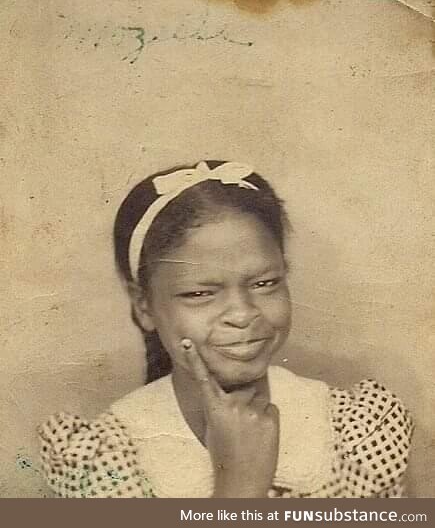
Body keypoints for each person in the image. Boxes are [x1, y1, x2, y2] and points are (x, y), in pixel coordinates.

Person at [38, 160, 414, 498]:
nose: (242, 314)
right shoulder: (105, 459)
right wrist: (239, 488)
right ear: (145, 306)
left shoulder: (354, 431)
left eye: (265, 283)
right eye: (200, 293)